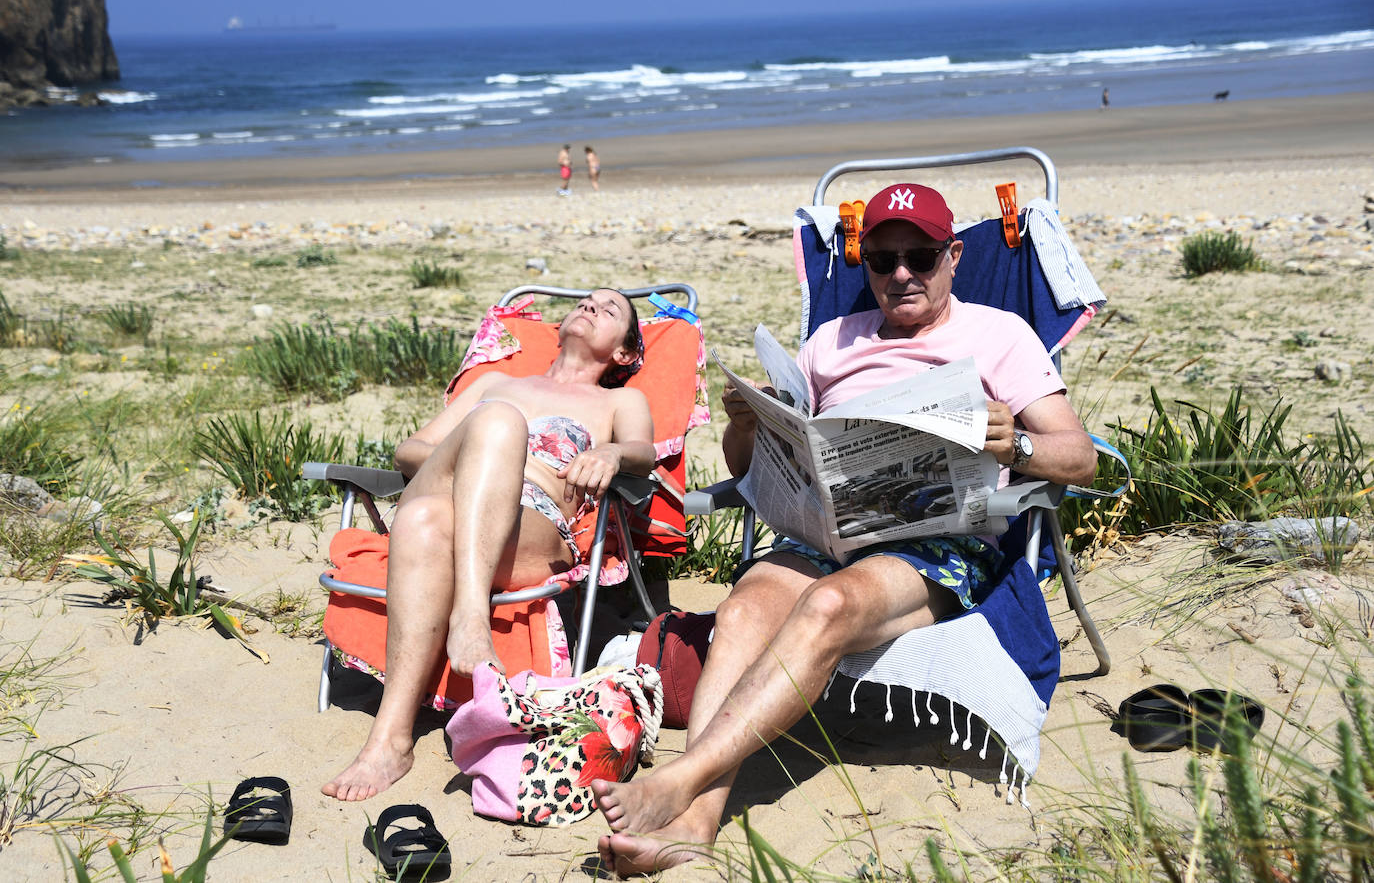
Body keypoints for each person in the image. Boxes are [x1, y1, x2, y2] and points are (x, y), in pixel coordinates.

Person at [592, 184, 1097, 874]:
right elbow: (748, 473)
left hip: (934, 543)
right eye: (883, 260)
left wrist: (1017, 447)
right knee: (740, 613)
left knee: (827, 606)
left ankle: (678, 782)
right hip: (822, 533)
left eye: (919, 256)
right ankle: (696, 823)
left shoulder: (999, 333)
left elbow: (1083, 458)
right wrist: (749, 428)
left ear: (953, 256)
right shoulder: (832, 341)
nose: (900, 275)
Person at [323, 289, 655, 802]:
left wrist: (612, 451)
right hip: (452, 492)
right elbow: (412, 448)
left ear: (625, 354)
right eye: (586, 301)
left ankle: (390, 740)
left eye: (609, 310)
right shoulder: (497, 383)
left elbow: (644, 453)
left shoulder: (618, 400)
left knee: (426, 518)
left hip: (530, 524)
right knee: (496, 424)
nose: (590, 307)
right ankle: (459, 636)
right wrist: (482, 449)